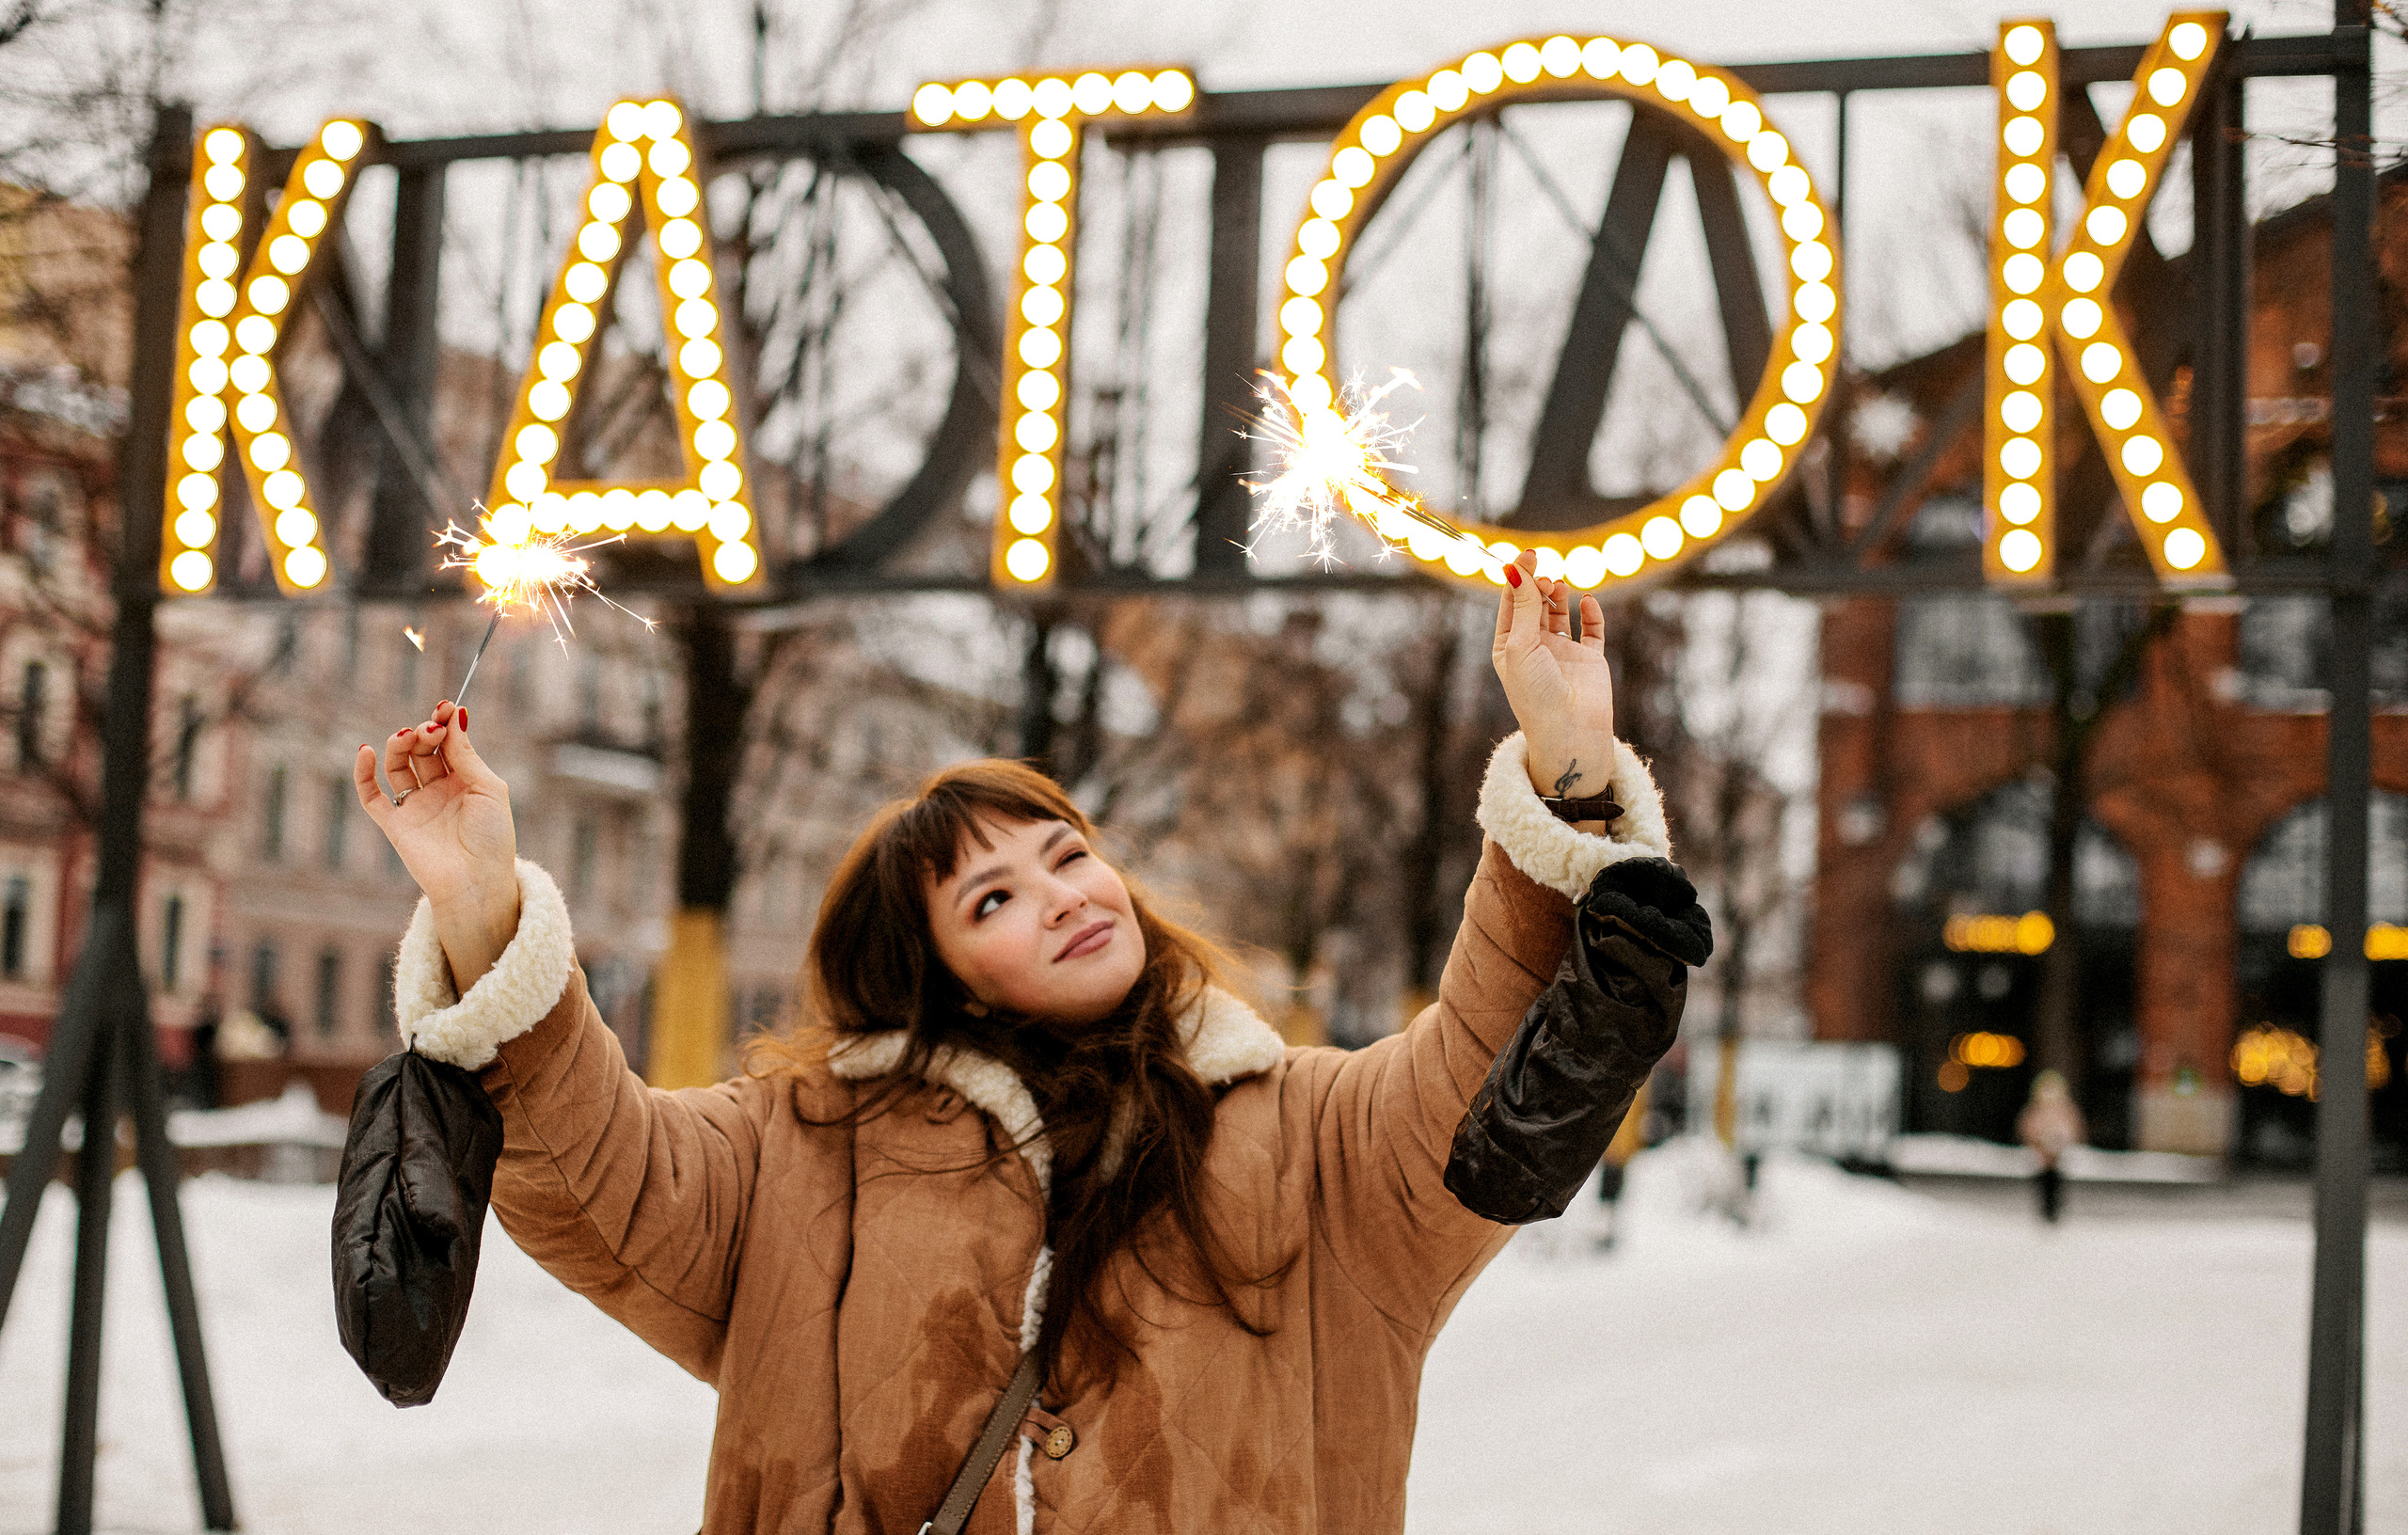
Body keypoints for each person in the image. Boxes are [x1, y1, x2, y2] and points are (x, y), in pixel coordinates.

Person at [351, 552, 1701, 1534]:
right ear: (926, 976)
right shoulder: (798, 1155)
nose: (1060, 895)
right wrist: (479, 901)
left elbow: (1493, 1063)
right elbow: (596, 1167)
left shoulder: (1320, 1139)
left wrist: (1568, 769)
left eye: (1066, 855)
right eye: (991, 899)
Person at [2017, 1068, 2086, 1224]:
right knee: (2043, 1183)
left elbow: (2074, 1128)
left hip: (2059, 1157)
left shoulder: (2065, 1110)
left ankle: (2056, 1210)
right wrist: (2038, 1141)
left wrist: (2062, 1140)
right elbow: (2028, 1128)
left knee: (2057, 1183)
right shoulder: (2036, 1110)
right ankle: (2045, 1210)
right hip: (2042, 1157)